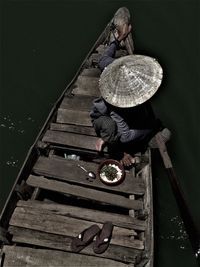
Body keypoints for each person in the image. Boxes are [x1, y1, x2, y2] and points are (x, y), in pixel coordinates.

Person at [90, 23, 170, 166]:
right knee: (110, 127)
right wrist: (152, 127)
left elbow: (103, 58)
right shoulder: (116, 107)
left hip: (124, 115)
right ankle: (110, 141)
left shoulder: (115, 65)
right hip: (103, 119)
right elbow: (125, 137)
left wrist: (118, 39)